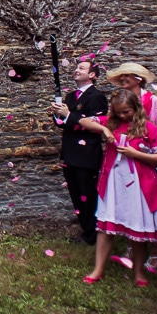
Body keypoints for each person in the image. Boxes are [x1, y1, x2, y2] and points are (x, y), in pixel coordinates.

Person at [78, 89, 157, 287]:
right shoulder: (111, 122)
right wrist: (104, 130)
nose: (122, 116)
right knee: (106, 226)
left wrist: (135, 153)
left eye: (126, 112)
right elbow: (83, 121)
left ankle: (138, 272)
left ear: (136, 109)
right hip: (114, 180)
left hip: (139, 182)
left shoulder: (149, 128)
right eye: (118, 112)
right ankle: (98, 269)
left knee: (137, 226)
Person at [106, 63, 157, 271]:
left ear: (139, 79)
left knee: (148, 204)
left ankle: (155, 251)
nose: (123, 79)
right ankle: (133, 245)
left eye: (127, 76)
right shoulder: (119, 101)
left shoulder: (154, 101)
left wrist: (145, 143)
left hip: (147, 155)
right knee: (129, 203)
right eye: (121, 76)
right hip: (125, 159)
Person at [48, 60, 108, 245]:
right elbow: (64, 123)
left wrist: (68, 115)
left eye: (82, 68)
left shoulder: (97, 97)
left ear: (93, 75)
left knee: (88, 195)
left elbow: (94, 126)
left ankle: (94, 234)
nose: (76, 70)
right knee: (76, 195)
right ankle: (86, 230)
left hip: (86, 155)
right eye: (76, 67)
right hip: (70, 152)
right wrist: (57, 115)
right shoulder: (71, 96)